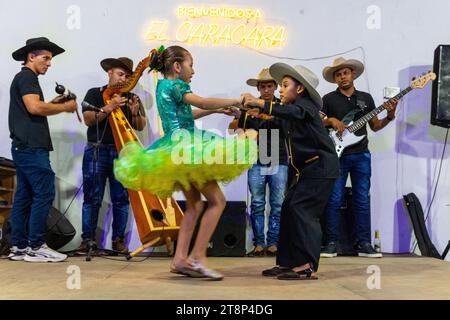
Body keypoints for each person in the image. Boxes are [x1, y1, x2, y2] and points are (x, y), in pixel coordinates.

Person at [114, 46, 257, 280]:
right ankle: (197, 258)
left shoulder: (163, 86)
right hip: (187, 149)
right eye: (191, 65)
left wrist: (218, 110)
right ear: (178, 66)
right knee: (217, 201)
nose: (193, 71)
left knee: (195, 205)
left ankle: (180, 258)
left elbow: (185, 114)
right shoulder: (178, 85)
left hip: (174, 148)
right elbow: (200, 100)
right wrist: (237, 100)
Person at [242, 63, 339, 280]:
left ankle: (306, 265)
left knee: (303, 211)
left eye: (285, 85)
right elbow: (270, 125)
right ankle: (287, 262)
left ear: (301, 89)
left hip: (321, 168)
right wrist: (246, 112)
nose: (280, 90)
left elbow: (289, 111)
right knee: (288, 208)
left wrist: (260, 102)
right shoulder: (290, 114)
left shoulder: (306, 107)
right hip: (306, 171)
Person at [8, 37, 77, 262]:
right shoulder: (27, 77)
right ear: (31, 57)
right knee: (44, 192)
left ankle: (18, 247)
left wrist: (56, 103)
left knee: (24, 196)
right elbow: (35, 107)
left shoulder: (24, 78)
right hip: (31, 147)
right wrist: (65, 107)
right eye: (46, 58)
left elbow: (35, 106)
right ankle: (36, 246)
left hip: (23, 147)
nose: (49, 63)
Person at [320, 57, 397, 259]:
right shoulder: (327, 99)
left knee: (362, 200)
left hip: (362, 155)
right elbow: (318, 124)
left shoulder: (366, 99)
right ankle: (330, 243)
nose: (342, 77)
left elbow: (375, 126)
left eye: (345, 72)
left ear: (353, 74)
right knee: (334, 199)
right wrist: (331, 120)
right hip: (337, 155)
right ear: (334, 79)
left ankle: (364, 244)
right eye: (338, 74)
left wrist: (389, 116)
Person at [78, 57, 147, 254]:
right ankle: (88, 241)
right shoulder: (94, 93)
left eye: (127, 76)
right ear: (109, 73)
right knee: (92, 198)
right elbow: (89, 120)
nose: (123, 79)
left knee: (121, 199)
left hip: (121, 153)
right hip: (96, 150)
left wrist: (134, 113)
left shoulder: (132, 97)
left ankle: (119, 241)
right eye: (120, 74)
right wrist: (109, 107)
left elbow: (140, 126)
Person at [230, 68, 287, 257]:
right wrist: (244, 128)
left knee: (277, 203)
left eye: (270, 86)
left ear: (275, 87)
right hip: (256, 158)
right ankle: (259, 244)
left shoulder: (282, 106)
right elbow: (238, 128)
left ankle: (274, 242)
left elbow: (281, 125)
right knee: (257, 203)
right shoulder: (249, 108)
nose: (267, 89)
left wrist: (256, 117)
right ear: (259, 88)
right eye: (263, 86)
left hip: (278, 157)